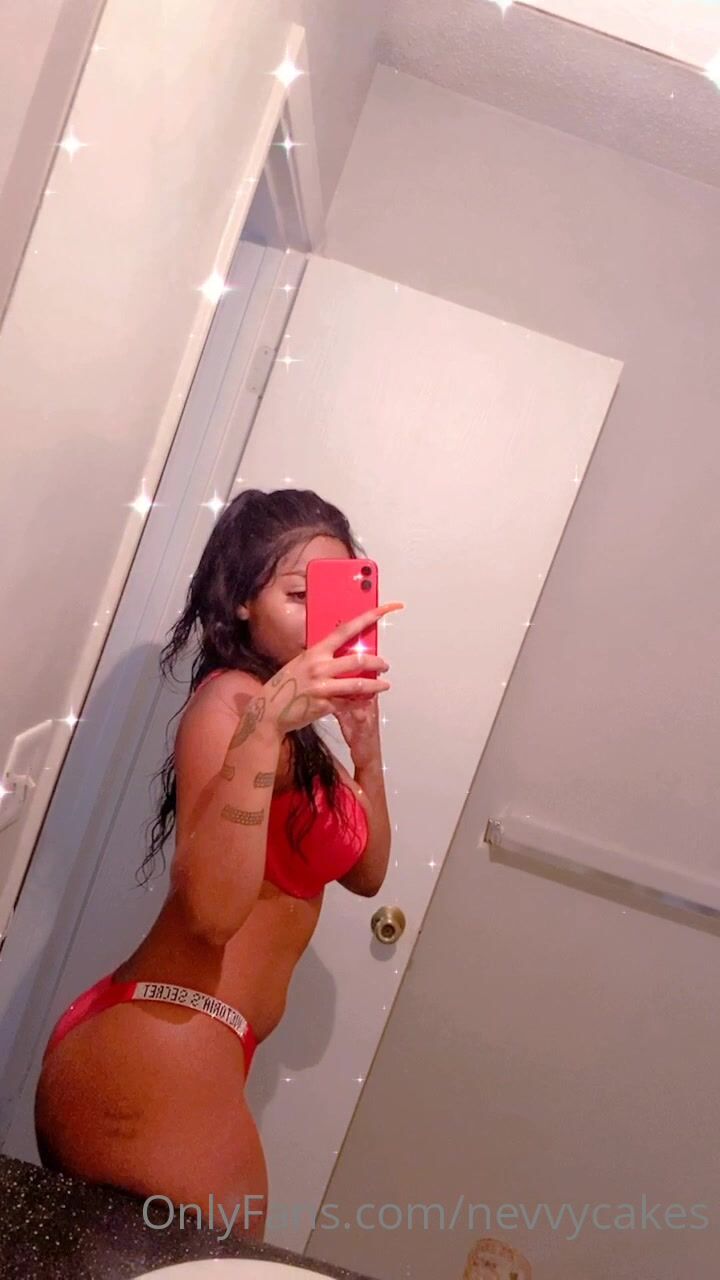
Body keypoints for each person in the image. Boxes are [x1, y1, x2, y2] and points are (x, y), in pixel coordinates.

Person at [34, 488, 404, 1241]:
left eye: (331, 596)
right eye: (298, 595)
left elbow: (366, 876)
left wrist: (365, 747)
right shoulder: (233, 704)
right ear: (242, 602)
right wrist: (263, 729)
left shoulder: (293, 723)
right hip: (158, 1042)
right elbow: (211, 914)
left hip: (202, 1043)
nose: (320, 620)